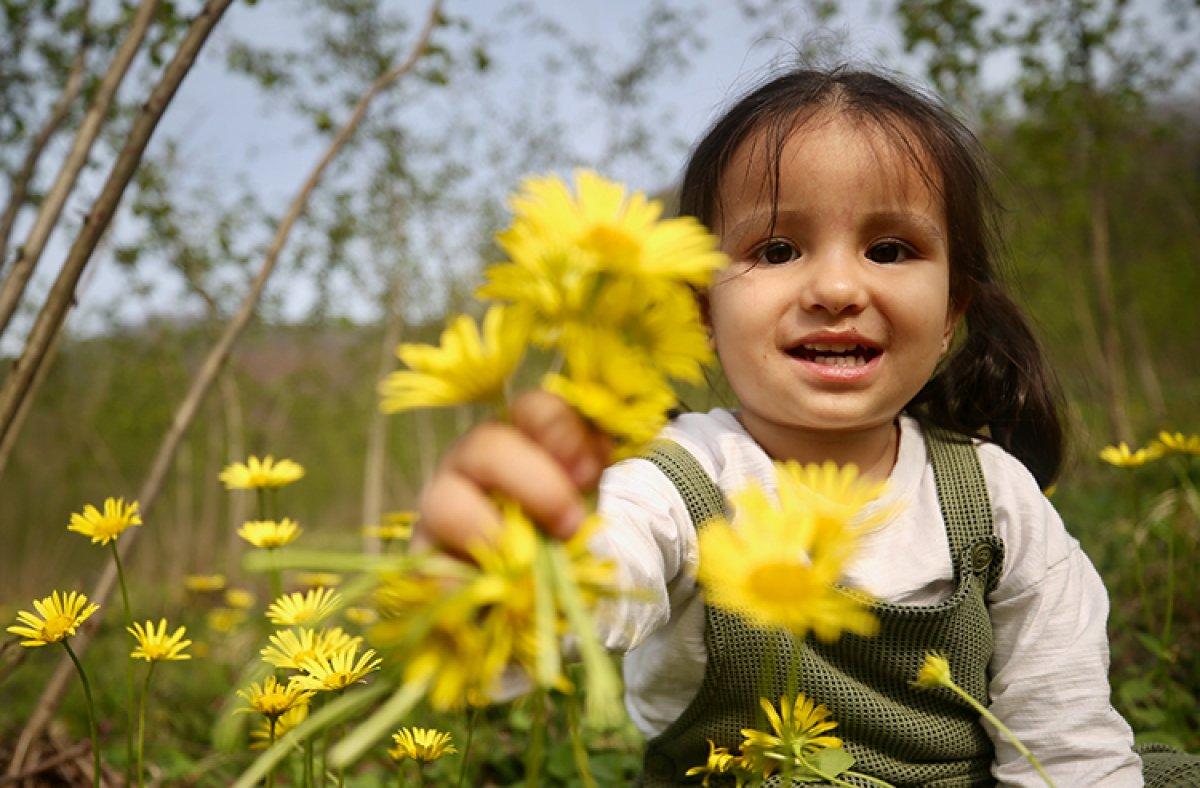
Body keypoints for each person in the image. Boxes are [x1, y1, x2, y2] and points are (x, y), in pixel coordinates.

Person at [415, 66, 1150, 786]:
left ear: (953, 310)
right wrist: (504, 565)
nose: (836, 289)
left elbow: (1068, 749)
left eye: (889, 250)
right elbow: (596, 578)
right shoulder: (676, 485)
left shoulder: (997, 500)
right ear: (702, 310)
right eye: (776, 250)